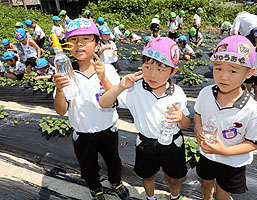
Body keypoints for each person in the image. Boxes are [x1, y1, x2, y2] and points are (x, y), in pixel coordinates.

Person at [99, 37, 190, 200]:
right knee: (147, 176)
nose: (152, 74)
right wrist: (120, 86)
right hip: (146, 143)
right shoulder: (135, 90)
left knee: (174, 178)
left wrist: (181, 117)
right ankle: (150, 198)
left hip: (172, 143)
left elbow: (186, 124)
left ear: (173, 71)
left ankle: (175, 197)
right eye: (147, 67)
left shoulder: (178, 93)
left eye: (160, 69)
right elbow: (105, 103)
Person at [52, 18, 129, 200]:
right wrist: (60, 90)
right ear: (67, 45)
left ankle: (116, 182)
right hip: (82, 132)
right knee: (88, 166)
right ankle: (95, 189)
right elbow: (61, 111)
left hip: (108, 130)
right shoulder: (65, 72)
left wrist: (103, 77)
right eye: (73, 40)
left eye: (86, 38)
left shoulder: (108, 69)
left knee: (114, 162)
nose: (79, 44)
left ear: (96, 44)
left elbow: (112, 101)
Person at [194, 35, 257, 200]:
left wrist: (224, 151)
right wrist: (197, 128)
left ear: (249, 73)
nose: (223, 77)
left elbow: (254, 143)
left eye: (233, 70)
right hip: (208, 154)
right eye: (218, 68)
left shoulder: (252, 109)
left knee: (222, 194)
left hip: (232, 161)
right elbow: (197, 113)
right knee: (206, 185)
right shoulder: (206, 93)